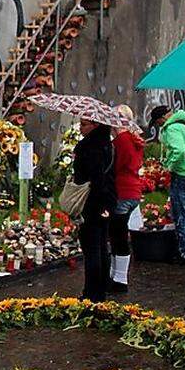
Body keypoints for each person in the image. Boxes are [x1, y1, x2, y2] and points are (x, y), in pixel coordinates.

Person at [149, 105, 185, 264]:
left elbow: (179, 151)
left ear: (162, 118)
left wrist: (169, 167)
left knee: (183, 216)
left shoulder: (172, 129)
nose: (158, 125)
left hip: (183, 176)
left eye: (157, 122)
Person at [71, 117, 116, 302]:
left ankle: (92, 292)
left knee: (92, 248)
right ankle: (101, 288)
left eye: (84, 124)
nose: (80, 128)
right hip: (107, 199)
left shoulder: (90, 147)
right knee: (101, 245)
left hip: (92, 201)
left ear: (95, 125)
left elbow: (94, 177)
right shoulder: (109, 144)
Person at [109, 105, 144, 294]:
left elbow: (115, 166)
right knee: (118, 233)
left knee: (118, 235)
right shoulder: (134, 138)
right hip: (133, 191)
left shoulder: (121, 141)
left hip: (122, 191)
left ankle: (120, 278)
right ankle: (116, 275)